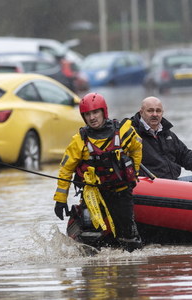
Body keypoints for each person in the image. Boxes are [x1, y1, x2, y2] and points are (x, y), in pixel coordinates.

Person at [53, 92, 143, 252]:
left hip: (121, 192)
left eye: (95, 112)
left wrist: (133, 174)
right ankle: (92, 269)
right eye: (87, 114)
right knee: (89, 234)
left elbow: (137, 149)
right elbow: (65, 170)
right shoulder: (79, 141)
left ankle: (129, 270)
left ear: (104, 112)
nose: (92, 117)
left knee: (129, 236)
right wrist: (60, 200)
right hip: (93, 194)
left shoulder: (123, 132)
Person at [130, 96, 192, 184]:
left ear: (162, 113)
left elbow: (185, 155)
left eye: (158, 111)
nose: (155, 114)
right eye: (150, 111)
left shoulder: (167, 134)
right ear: (141, 112)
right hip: (148, 185)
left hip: (172, 183)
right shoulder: (131, 133)